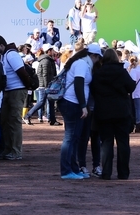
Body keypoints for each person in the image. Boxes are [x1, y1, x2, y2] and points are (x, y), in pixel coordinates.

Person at [90, 48, 136, 180]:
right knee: (123, 143)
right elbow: (131, 87)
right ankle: (123, 173)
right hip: (121, 111)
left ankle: (106, 172)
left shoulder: (98, 73)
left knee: (106, 143)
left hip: (103, 112)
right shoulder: (121, 72)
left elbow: (93, 90)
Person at [58, 43, 102, 180]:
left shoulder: (82, 63)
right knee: (70, 138)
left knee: (74, 138)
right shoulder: (82, 65)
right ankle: (66, 170)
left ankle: (73, 168)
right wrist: (83, 105)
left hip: (73, 103)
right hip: (72, 103)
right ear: (94, 56)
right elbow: (78, 85)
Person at [0, 35, 31, 161]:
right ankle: (8, 149)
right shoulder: (4, 55)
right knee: (5, 121)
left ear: (1, 45)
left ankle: (16, 151)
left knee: (14, 121)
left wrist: (27, 87)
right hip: (8, 91)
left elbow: (22, 72)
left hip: (17, 91)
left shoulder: (11, 55)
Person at [26, 42, 57, 125]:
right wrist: (47, 86)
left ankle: (53, 120)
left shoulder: (46, 60)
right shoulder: (46, 61)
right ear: (49, 51)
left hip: (45, 85)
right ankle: (28, 115)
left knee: (50, 102)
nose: (53, 51)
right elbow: (45, 74)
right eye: (52, 50)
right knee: (41, 102)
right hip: (45, 86)